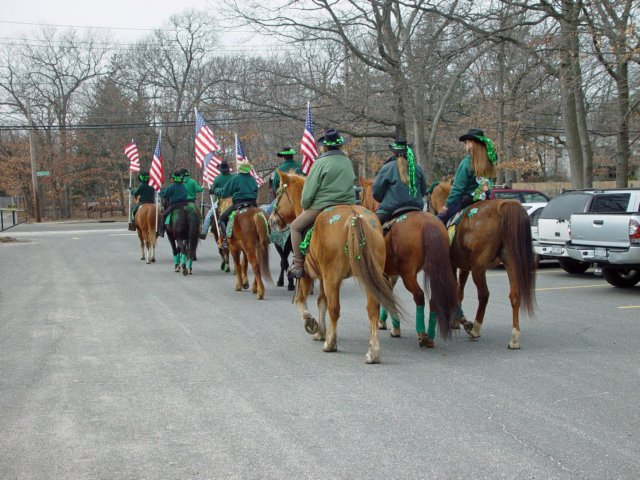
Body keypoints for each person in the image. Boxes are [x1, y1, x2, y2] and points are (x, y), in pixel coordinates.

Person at [287, 128, 356, 279]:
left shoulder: (320, 162)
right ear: (340, 145)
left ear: (324, 146)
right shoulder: (347, 161)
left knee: (295, 227)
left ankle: (298, 264)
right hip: (349, 205)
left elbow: (308, 192)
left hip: (323, 205)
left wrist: (305, 205)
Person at [437, 128, 497, 225]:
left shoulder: (466, 163)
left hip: (466, 202)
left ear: (471, 143)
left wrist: (447, 205)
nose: (465, 145)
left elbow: (457, 189)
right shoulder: (490, 162)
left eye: (466, 142)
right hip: (486, 200)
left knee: (438, 221)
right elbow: (489, 184)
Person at [372, 138, 427, 224]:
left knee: (373, 225)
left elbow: (376, 192)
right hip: (416, 207)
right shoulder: (417, 168)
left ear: (393, 152)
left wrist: (385, 199)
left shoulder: (387, 168)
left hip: (392, 209)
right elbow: (423, 190)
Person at [218, 158, 259, 248]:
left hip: (238, 203)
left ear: (240, 169)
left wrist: (220, 192)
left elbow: (224, 193)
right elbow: (256, 192)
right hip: (253, 204)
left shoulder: (235, 178)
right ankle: (266, 235)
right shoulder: (253, 179)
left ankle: (225, 240)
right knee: (263, 217)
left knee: (222, 218)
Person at [200, 160, 233, 239]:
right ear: (228, 169)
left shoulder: (218, 178)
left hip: (221, 200)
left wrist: (212, 190)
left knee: (209, 215)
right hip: (233, 200)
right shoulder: (233, 177)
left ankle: (204, 232)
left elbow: (212, 190)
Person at [157, 170, 189, 238]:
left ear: (173, 178)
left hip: (175, 205)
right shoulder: (184, 185)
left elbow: (165, 195)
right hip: (185, 204)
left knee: (164, 215)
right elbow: (186, 194)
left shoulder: (172, 186)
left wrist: (160, 192)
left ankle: (161, 231)